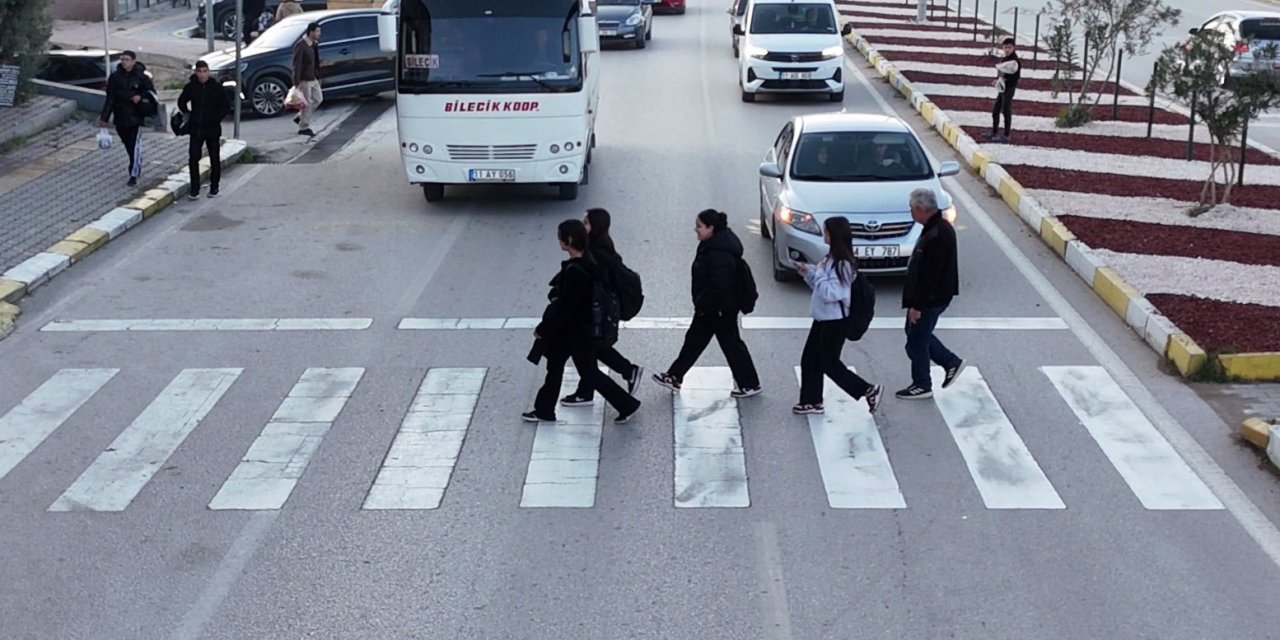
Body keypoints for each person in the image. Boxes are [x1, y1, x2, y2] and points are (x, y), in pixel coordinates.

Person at [525, 220, 642, 424]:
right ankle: (544, 410)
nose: (558, 240)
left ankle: (626, 404)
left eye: (560, 236)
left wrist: (543, 329)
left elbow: (566, 307)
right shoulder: (586, 264)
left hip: (575, 333)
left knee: (588, 374)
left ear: (568, 240)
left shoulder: (576, 272)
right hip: (575, 331)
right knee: (557, 368)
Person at [652, 209, 761, 398]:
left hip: (719, 308)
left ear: (711, 228)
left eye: (699, 226)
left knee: (730, 344)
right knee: (695, 341)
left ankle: (750, 384)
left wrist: (703, 303)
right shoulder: (714, 245)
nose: (696, 230)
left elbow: (719, 285)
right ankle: (674, 376)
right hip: (714, 307)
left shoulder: (718, 253)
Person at [793, 217, 883, 415]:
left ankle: (867, 389)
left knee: (829, 363)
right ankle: (811, 401)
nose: (823, 235)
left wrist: (817, 273)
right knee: (810, 360)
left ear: (834, 235)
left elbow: (832, 294)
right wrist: (808, 274)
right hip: (823, 319)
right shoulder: (830, 259)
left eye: (826, 232)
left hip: (835, 322)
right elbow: (820, 288)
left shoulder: (843, 264)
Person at [561, 208, 645, 406]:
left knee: (590, 350)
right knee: (591, 351)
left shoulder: (596, 252)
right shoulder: (600, 246)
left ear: (595, 227)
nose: (583, 226)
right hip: (597, 310)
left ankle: (625, 374)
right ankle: (588, 391)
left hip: (596, 311)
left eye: (586, 223)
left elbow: (596, 283)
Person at [897, 188, 965, 400]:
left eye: (911, 208)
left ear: (919, 209)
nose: (910, 212)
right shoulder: (934, 227)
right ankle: (950, 362)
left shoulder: (937, 234)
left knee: (916, 341)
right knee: (916, 333)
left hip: (931, 299)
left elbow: (930, 276)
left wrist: (917, 306)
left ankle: (922, 384)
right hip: (931, 297)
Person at [97, 51, 155, 187]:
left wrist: (140, 97)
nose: (124, 62)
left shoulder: (141, 77)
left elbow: (151, 93)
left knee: (134, 146)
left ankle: (133, 173)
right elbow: (110, 99)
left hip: (136, 117)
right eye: (123, 59)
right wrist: (104, 118)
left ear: (134, 61)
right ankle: (134, 160)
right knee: (128, 146)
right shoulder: (115, 77)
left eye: (127, 59)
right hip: (120, 117)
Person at [178, 60, 233, 200]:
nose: (202, 75)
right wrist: (188, 114)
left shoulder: (216, 88)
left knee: (214, 158)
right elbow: (181, 101)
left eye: (204, 71)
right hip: (196, 128)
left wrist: (215, 119)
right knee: (193, 158)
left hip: (212, 129)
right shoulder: (191, 87)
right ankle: (195, 189)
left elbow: (226, 107)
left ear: (208, 72)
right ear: (195, 72)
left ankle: (214, 186)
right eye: (199, 72)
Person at [292, 22, 323, 137]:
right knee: (307, 103)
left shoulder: (314, 44)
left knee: (318, 99)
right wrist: (297, 81)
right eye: (317, 31)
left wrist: (318, 76)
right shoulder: (302, 45)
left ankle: (300, 117)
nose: (319, 34)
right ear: (311, 32)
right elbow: (297, 64)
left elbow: (316, 62)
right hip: (305, 79)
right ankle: (303, 127)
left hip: (313, 77)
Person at [988, 37, 1021, 143]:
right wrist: (997, 79)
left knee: (1006, 110)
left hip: (1009, 88)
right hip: (1002, 88)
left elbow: (1015, 77)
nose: (1007, 49)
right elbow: (1001, 71)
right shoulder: (1005, 59)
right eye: (1005, 47)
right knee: (996, 110)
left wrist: (1004, 78)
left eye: (1009, 47)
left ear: (1013, 48)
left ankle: (1006, 135)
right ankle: (994, 132)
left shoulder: (1014, 61)